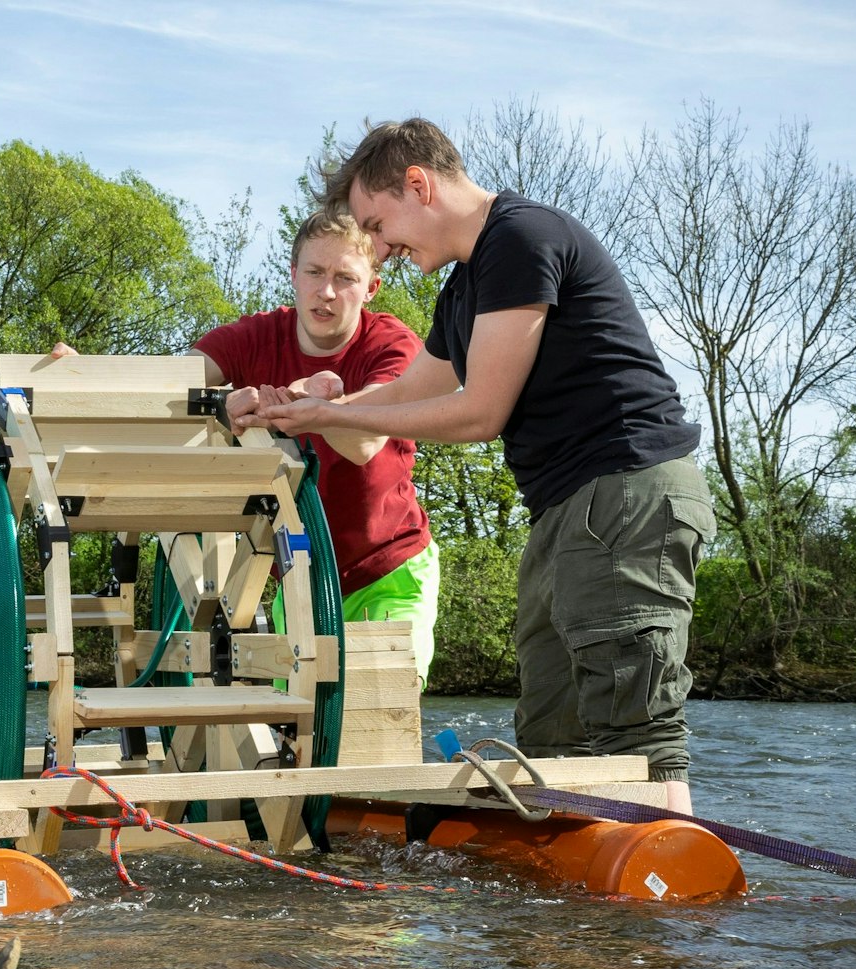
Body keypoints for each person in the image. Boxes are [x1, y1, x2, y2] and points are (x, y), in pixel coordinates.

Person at [258, 118, 714, 814]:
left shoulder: (520, 240)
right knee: (554, 730)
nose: (380, 248)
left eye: (379, 224)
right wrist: (332, 400)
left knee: (636, 721)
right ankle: (576, 914)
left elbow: (481, 411)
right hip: (565, 511)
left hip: (628, 492)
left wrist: (337, 417)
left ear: (419, 184)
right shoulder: (464, 289)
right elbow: (413, 390)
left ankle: (677, 892)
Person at [54, 209, 441, 686]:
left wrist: (314, 405)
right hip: (300, 574)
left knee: (376, 709)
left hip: (390, 569)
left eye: (345, 278)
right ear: (293, 274)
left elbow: (365, 440)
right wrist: (88, 375)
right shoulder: (256, 336)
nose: (326, 292)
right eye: (315, 273)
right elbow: (169, 385)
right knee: (305, 729)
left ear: (370, 289)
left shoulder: (393, 345)